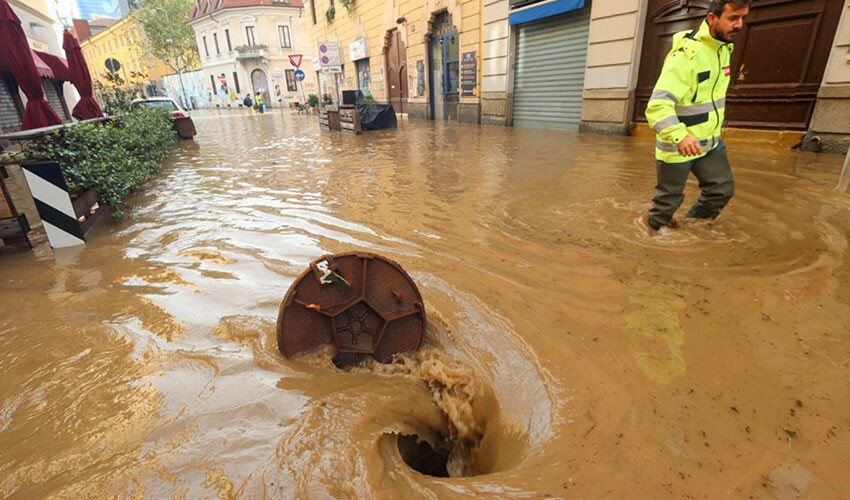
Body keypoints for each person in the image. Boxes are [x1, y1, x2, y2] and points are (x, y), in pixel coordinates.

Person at [645, 0, 750, 231]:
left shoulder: (723, 49)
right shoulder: (686, 56)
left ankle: (693, 230)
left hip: (710, 143)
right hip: (679, 145)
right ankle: (650, 242)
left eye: (743, 18)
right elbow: (657, 106)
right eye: (733, 18)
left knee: (721, 190)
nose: (740, 25)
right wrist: (680, 136)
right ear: (713, 18)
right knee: (665, 205)